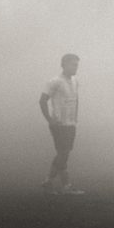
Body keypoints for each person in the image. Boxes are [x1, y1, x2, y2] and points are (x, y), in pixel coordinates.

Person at [39, 53, 84, 194]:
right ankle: (65, 185)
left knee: (64, 153)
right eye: (73, 64)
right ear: (63, 65)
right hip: (59, 124)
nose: (76, 67)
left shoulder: (75, 81)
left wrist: (75, 119)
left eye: (77, 64)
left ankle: (48, 182)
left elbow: (76, 100)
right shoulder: (55, 81)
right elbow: (42, 100)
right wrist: (50, 120)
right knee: (63, 153)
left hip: (71, 124)